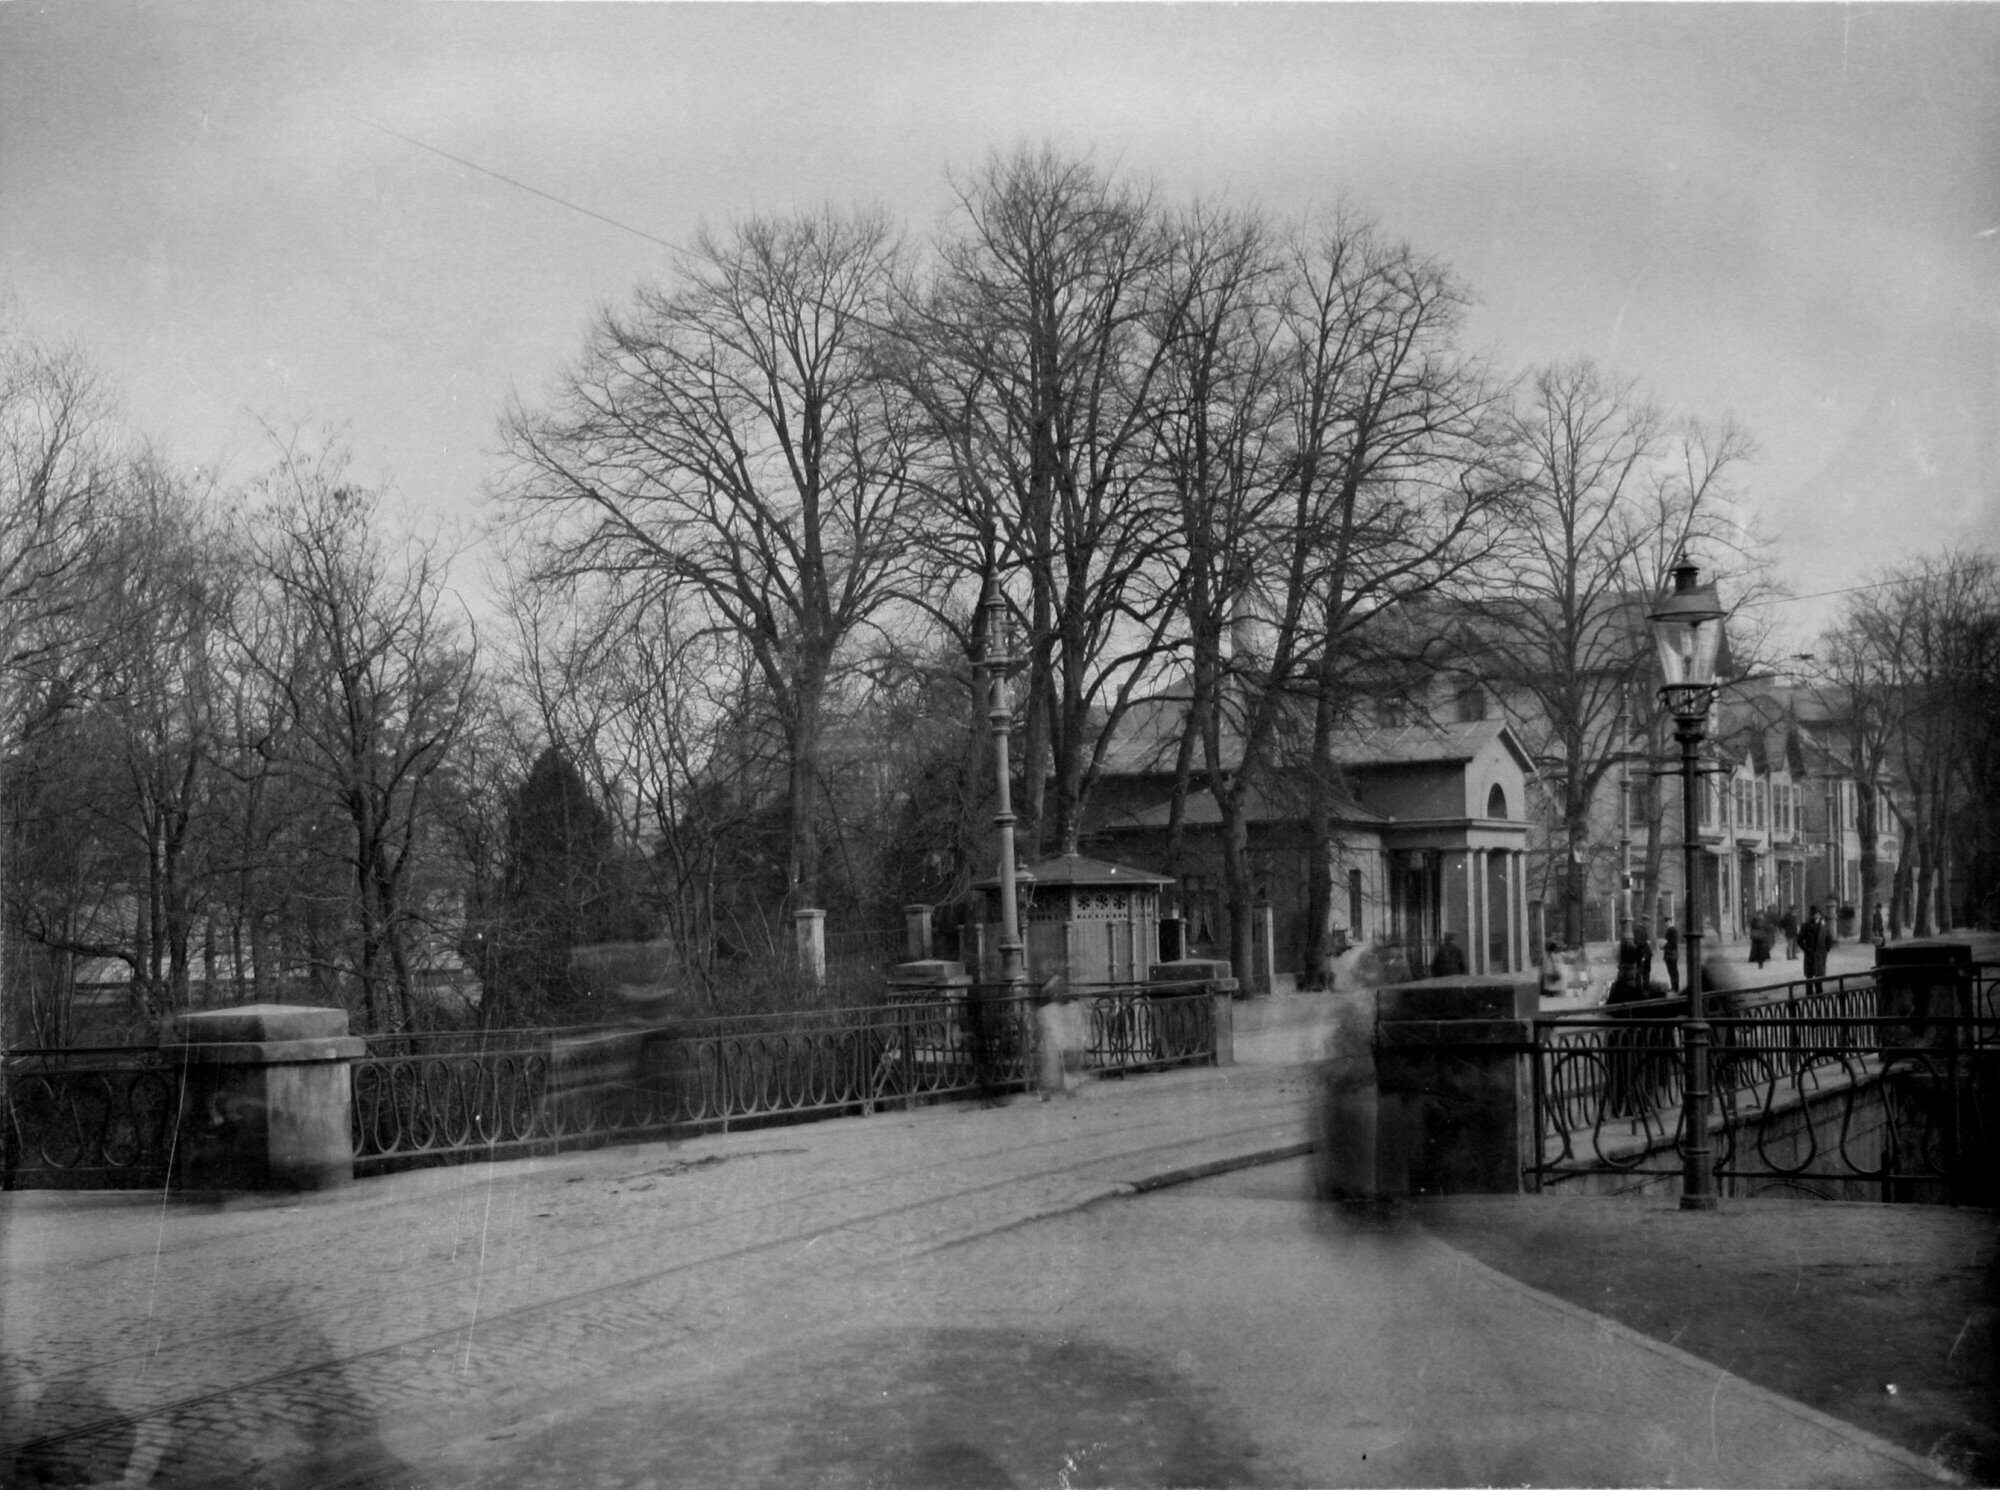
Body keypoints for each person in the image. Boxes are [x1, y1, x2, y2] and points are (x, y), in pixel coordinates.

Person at [1798, 903, 1833, 987]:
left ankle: (1819, 995)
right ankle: (1809, 995)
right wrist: (1806, 949)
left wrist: (1827, 949)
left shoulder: (1824, 926)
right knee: (1809, 977)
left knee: (1819, 976)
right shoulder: (1805, 926)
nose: (1814, 916)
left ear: (1819, 914)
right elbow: (1799, 940)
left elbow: (1828, 937)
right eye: (1812, 914)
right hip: (1810, 954)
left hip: (1820, 954)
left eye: (1816, 914)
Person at [1662, 922, 1681, 993]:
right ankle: (1674, 987)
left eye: (1666, 923)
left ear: (1669, 922)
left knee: (1673, 972)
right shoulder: (1672, 930)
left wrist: (1665, 946)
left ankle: (1675, 987)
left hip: (1671, 955)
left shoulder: (1672, 930)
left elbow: (1673, 943)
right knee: (1672, 972)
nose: (1665, 925)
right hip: (1671, 955)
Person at [1634, 924, 1654, 990]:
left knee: (1640, 972)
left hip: (1642, 954)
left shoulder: (1638, 930)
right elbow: (1646, 941)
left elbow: (1637, 942)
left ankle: (1639, 988)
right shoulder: (1644, 930)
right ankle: (1645, 988)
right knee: (1645, 972)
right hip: (1646, 954)